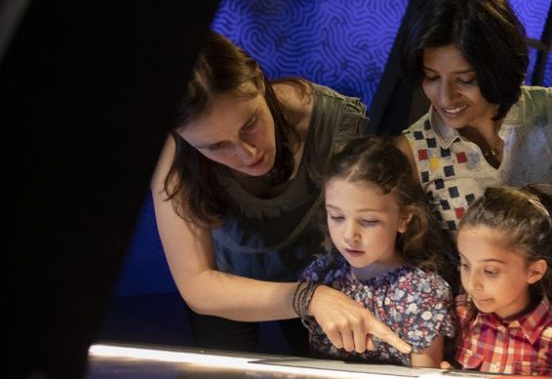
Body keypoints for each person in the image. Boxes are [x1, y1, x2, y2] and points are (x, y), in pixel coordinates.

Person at [152, 30, 409, 357]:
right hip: (227, 288)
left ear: (259, 80)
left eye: (249, 124)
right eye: (216, 146)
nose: (247, 154)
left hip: (323, 275)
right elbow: (197, 285)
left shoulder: (332, 122)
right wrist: (308, 298)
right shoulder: (176, 157)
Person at [394, 0, 552, 242]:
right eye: (432, 77)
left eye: (466, 79)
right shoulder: (413, 152)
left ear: (497, 67)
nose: (445, 97)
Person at [293, 136, 456, 368]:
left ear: (403, 218)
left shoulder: (423, 292)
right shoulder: (322, 274)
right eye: (337, 217)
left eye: (369, 221)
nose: (350, 235)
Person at [452, 184, 552, 378]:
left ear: (534, 271)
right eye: (465, 265)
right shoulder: (462, 318)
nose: (472, 284)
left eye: (490, 271)